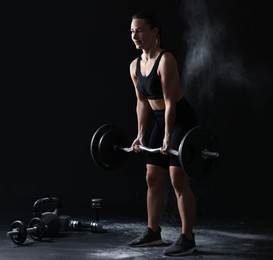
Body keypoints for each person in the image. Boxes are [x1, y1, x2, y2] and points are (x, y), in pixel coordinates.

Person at [128, 11, 198, 256]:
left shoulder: (166, 60)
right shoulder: (134, 65)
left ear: (154, 32)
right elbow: (142, 103)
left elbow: (170, 102)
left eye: (140, 30)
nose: (135, 35)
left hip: (180, 120)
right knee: (152, 178)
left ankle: (187, 238)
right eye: (132, 31)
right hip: (160, 121)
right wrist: (140, 135)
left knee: (177, 178)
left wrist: (168, 136)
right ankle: (153, 232)